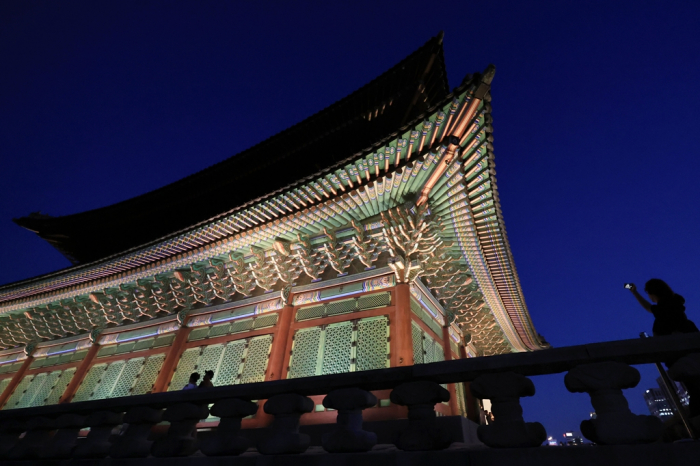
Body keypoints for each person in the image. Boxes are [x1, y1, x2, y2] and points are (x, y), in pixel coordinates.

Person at [627, 279, 699, 336]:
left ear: (653, 293)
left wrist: (634, 292)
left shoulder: (663, 312)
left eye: (648, 293)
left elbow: (648, 307)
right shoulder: (676, 308)